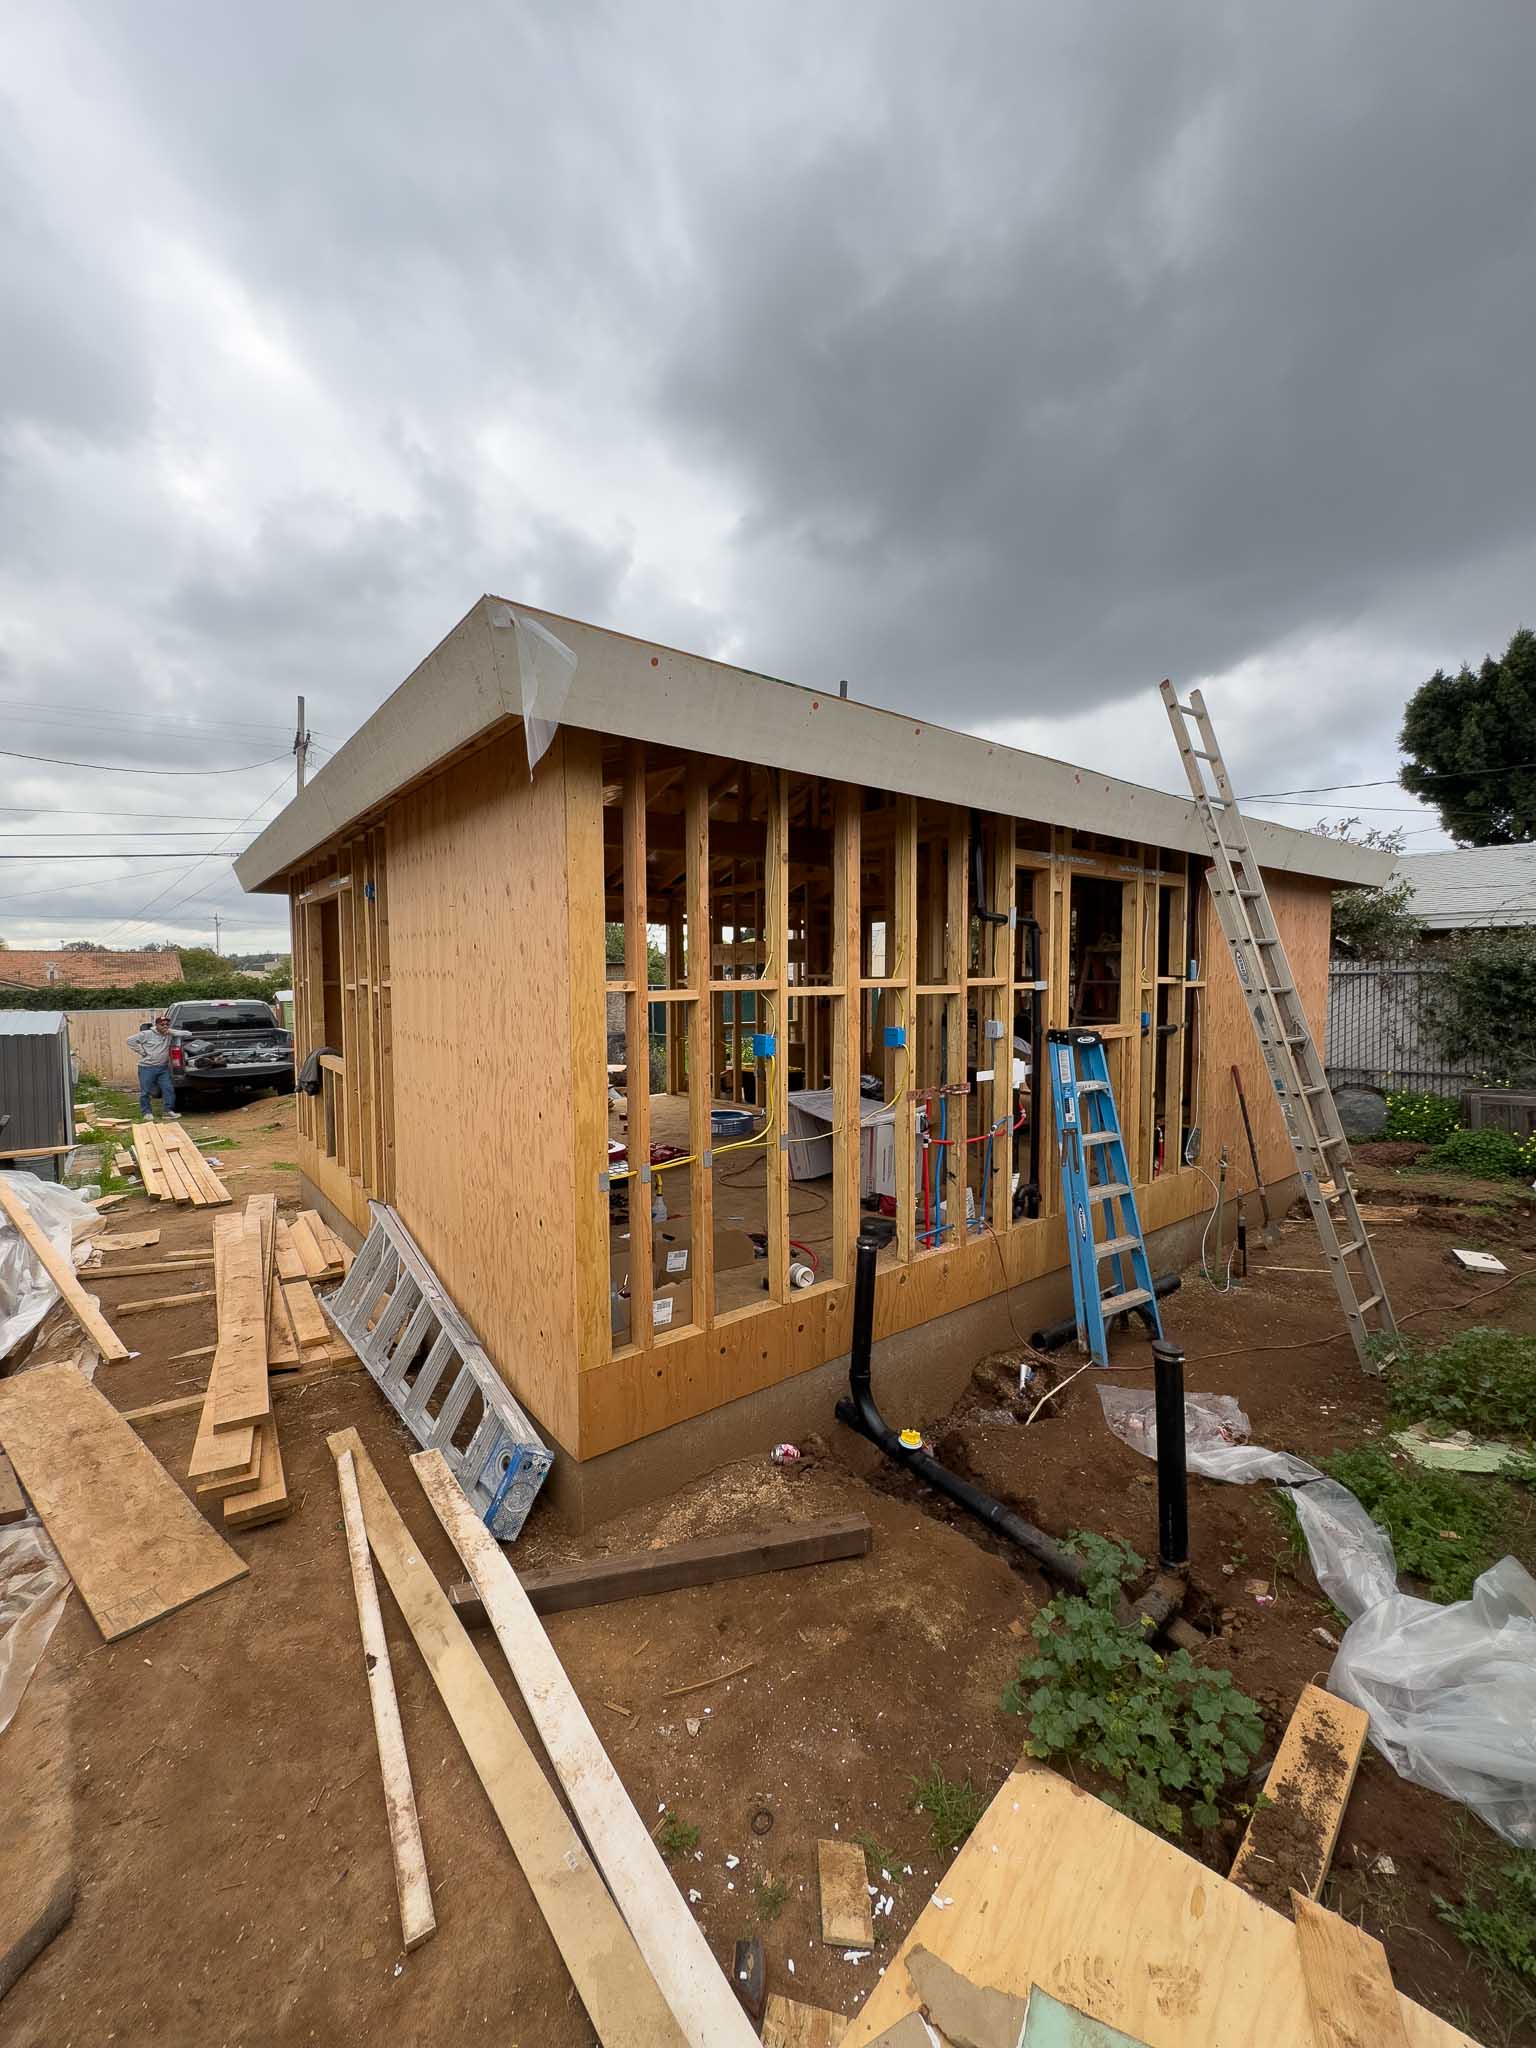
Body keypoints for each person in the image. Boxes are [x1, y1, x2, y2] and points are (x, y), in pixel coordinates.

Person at [127, 1012, 181, 1120]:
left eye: (166, 1024)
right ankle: (146, 1113)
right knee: (146, 1091)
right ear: (156, 1025)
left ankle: (167, 1111)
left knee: (168, 1089)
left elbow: (187, 1034)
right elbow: (130, 1041)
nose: (164, 1026)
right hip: (147, 1068)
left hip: (163, 1068)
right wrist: (142, 1052)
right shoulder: (147, 1034)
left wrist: (170, 1031)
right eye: (162, 1024)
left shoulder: (169, 1034)